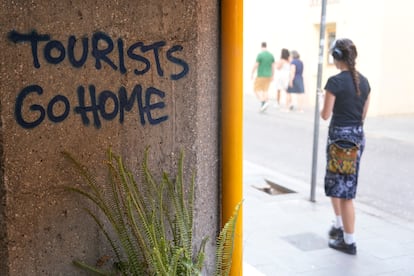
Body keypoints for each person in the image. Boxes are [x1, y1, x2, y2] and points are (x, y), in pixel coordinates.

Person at [320, 38, 371, 255]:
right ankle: (339, 226)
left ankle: (349, 242)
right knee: (341, 185)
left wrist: (324, 98)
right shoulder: (365, 82)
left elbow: (325, 115)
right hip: (357, 137)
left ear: (337, 57)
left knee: (343, 190)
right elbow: (362, 116)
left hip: (339, 140)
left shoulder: (334, 82)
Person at [251, 42, 275, 112]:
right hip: (268, 75)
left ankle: (263, 102)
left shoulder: (260, 55)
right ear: (266, 46)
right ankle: (264, 104)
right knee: (265, 90)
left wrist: (252, 73)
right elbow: (273, 66)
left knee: (255, 89)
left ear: (261, 46)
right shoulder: (271, 55)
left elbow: (256, 64)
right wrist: (273, 75)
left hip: (261, 75)